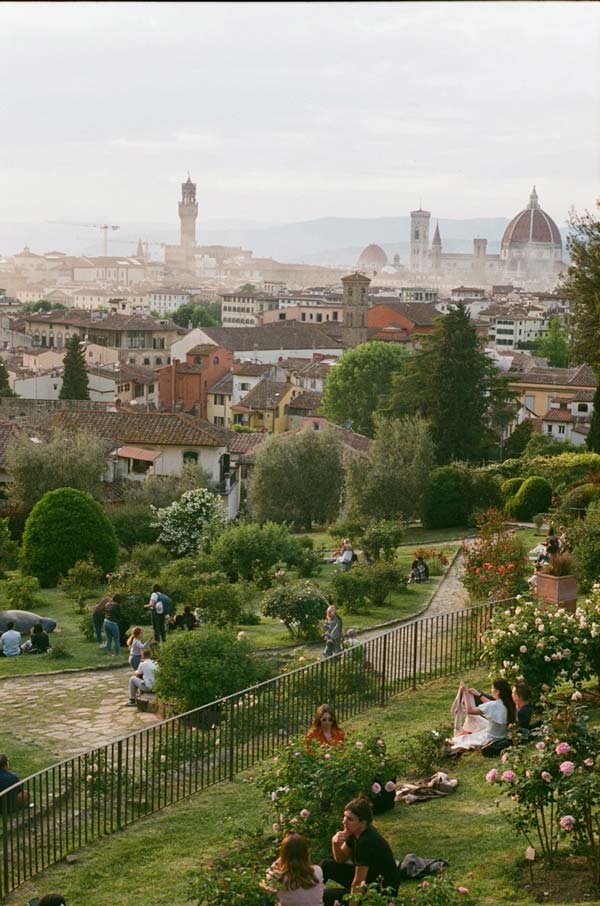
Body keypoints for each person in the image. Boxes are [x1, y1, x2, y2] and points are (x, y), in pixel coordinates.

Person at [321, 796, 400, 905]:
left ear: (362, 823)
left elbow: (358, 882)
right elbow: (340, 859)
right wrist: (335, 843)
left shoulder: (366, 841)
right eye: (344, 817)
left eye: (350, 819)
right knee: (326, 865)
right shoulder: (354, 832)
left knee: (326, 896)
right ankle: (310, 893)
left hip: (381, 890)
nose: (344, 821)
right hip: (368, 878)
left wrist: (352, 903)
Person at [448, 678, 515, 752]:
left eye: (492, 688)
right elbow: (490, 705)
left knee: (462, 740)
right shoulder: (509, 704)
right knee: (471, 735)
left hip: (490, 738)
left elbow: (470, 710)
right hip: (501, 736)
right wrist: (479, 695)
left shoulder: (493, 705)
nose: (491, 690)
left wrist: (465, 693)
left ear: (498, 691)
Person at [265, 832, 324, 906]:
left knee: (266, 895)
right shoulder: (318, 871)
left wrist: (275, 864)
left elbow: (266, 882)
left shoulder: (278, 877)